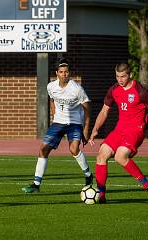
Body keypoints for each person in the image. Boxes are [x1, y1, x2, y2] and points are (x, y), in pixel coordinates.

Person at [88, 62, 148, 203]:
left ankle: (147, 185)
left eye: (123, 76)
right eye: (117, 76)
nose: (120, 79)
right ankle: (101, 195)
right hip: (119, 130)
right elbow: (104, 111)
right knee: (101, 155)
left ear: (130, 75)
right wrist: (95, 129)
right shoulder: (114, 90)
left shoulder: (140, 91)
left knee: (120, 157)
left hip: (136, 130)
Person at [22, 58, 93, 193]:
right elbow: (52, 100)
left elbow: (87, 109)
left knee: (73, 149)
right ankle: (36, 185)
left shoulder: (77, 89)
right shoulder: (51, 86)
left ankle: (88, 175)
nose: (64, 74)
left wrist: (86, 130)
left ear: (69, 73)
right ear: (57, 73)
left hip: (74, 123)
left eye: (66, 72)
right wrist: (55, 117)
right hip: (58, 123)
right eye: (61, 72)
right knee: (43, 149)